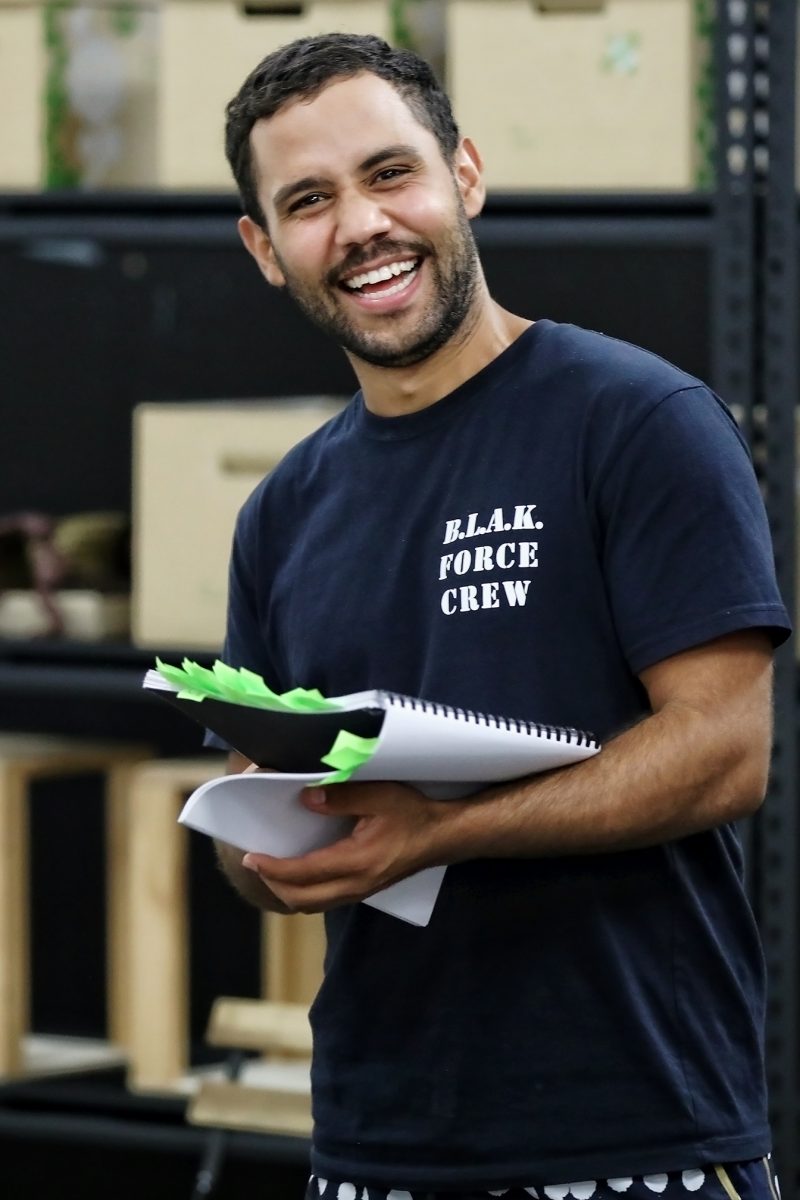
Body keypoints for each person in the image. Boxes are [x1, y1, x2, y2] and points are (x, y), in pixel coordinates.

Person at [210, 31, 791, 1200]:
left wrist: (437, 831)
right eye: (309, 201)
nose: (361, 225)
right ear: (265, 249)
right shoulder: (284, 510)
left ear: (463, 175)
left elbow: (724, 752)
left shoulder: (636, 422)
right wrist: (268, 850)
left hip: (635, 1138)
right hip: (374, 1144)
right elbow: (244, 814)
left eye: (389, 174)